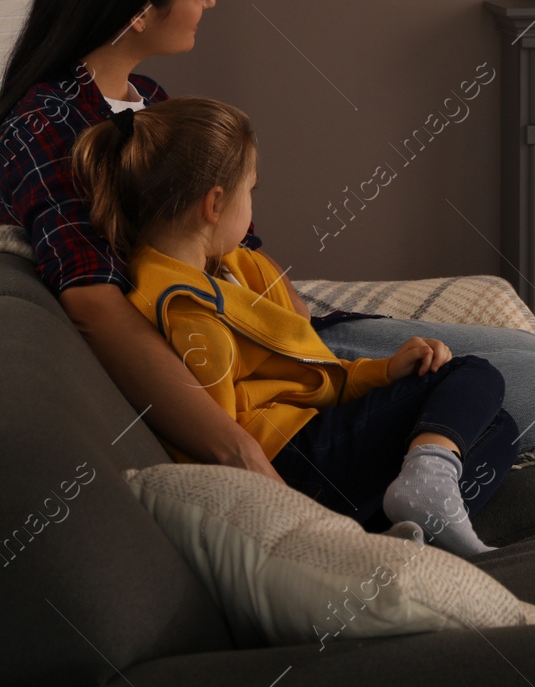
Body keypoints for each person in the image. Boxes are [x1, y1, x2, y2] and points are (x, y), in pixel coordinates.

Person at [0, 0, 535, 486]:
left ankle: (420, 457)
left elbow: (240, 243)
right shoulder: (43, 125)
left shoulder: (147, 99)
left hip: (276, 326)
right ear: (139, 10)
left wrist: (296, 315)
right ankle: (415, 469)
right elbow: (94, 305)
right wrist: (238, 451)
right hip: (244, 357)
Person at [73, 97, 512, 554]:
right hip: (295, 458)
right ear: (215, 203)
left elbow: (307, 369)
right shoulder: (186, 310)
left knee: (500, 428)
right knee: (474, 373)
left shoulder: (230, 267)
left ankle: (404, 528)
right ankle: (422, 487)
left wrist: (385, 372)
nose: (253, 207)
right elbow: (216, 444)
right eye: (251, 191)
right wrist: (287, 513)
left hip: (313, 442)